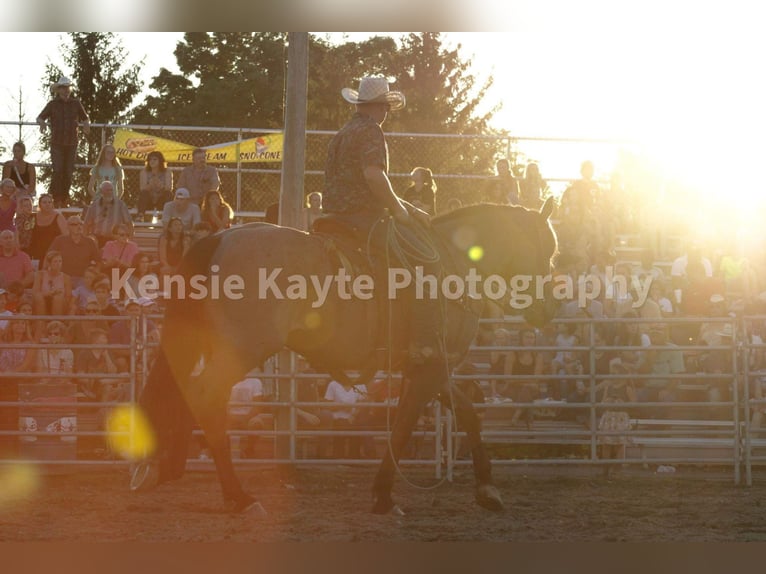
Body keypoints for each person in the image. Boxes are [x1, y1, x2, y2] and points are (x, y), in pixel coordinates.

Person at [323, 76, 439, 364]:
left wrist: (409, 209)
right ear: (380, 107)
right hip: (364, 218)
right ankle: (418, 343)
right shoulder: (371, 131)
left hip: (334, 216)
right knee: (426, 261)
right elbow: (374, 176)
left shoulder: (343, 133)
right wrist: (402, 212)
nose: (387, 114)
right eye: (386, 108)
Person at [36, 75, 91, 208]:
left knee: (68, 171)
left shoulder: (76, 103)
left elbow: (85, 117)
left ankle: (64, 197)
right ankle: (56, 197)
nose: (66, 90)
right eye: (63, 88)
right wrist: (42, 123)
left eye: (68, 88)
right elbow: (40, 117)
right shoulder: (52, 104)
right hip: (57, 142)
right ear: (59, 90)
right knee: (58, 170)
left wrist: (86, 124)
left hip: (72, 142)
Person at [47, 215, 101, 288]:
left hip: (83, 279)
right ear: (68, 227)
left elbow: (99, 262)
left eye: (80, 224)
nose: (78, 226)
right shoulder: (59, 240)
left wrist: (94, 275)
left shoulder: (90, 242)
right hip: (62, 277)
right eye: (74, 224)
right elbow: (48, 257)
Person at [83, 181, 134, 247]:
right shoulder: (94, 205)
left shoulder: (120, 205)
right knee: (92, 242)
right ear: (101, 191)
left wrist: (129, 240)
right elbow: (86, 224)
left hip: (114, 239)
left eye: (111, 190)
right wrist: (85, 239)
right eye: (107, 190)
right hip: (98, 238)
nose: (110, 192)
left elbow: (129, 223)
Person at [26, 193, 68, 264]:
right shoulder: (33, 217)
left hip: (53, 254)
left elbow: (66, 236)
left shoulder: (58, 217)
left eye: (49, 202)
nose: (47, 204)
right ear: (40, 204)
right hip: (36, 253)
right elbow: (27, 234)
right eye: (44, 202)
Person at [32, 250, 72, 317]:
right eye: (55, 261)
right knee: (39, 297)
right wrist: (50, 294)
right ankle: (41, 322)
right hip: (43, 302)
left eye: (60, 261)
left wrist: (58, 294)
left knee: (58, 298)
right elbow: (35, 293)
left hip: (60, 304)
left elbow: (68, 297)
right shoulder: (40, 275)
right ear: (49, 263)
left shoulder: (66, 278)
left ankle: (56, 322)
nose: (58, 264)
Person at [137, 151, 173, 219]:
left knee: (168, 194)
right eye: (150, 159)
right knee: (143, 194)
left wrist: (160, 185)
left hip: (161, 198)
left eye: (155, 159)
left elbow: (169, 188)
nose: (152, 161)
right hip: (149, 198)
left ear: (160, 161)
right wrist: (151, 184)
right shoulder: (144, 171)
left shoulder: (167, 171)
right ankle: (140, 215)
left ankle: (168, 217)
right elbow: (142, 188)